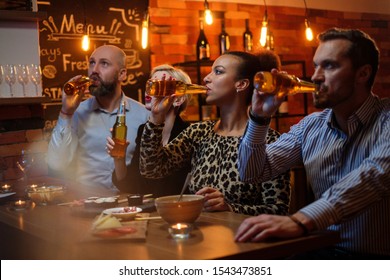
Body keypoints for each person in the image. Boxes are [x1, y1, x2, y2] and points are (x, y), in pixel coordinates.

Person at [236, 28, 390, 259]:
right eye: (316, 65)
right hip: (321, 253)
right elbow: (252, 172)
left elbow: (375, 175)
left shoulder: (386, 119)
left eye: (329, 66)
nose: (316, 76)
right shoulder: (311, 126)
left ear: (362, 74)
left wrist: (300, 221)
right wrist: (259, 117)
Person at [139, 51, 291, 215]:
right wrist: (156, 117)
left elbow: (278, 210)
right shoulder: (199, 132)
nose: (206, 78)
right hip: (198, 235)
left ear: (241, 84)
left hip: (241, 237)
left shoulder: (269, 140)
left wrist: (230, 207)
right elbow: (151, 169)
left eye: (218, 72)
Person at [47, 45, 150, 190]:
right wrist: (66, 112)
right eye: (92, 63)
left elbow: (149, 172)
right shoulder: (77, 112)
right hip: (87, 204)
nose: (94, 70)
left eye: (104, 63)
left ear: (122, 74)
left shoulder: (143, 115)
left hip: (127, 207)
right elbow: (56, 164)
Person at [106, 64, 191, 196]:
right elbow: (132, 185)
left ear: (178, 99)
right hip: (148, 212)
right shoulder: (144, 130)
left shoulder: (189, 134)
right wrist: (119, 158)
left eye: (158, 86)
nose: (149, 91)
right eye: (149, 85)